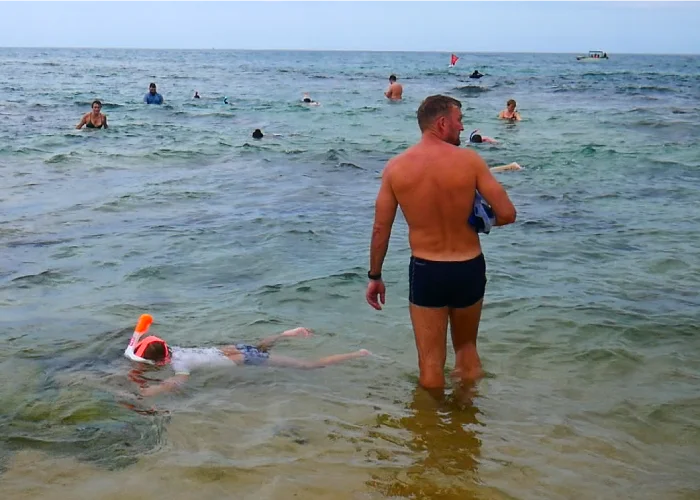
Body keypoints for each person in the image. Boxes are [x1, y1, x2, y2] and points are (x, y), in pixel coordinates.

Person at [365, 95, 516, 389]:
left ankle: (429, 431)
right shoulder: (470, 161)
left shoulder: (396, 168)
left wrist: (375, 276)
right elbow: (507, 214)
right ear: (442, 122)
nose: (462, 127)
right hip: (469, 267)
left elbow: (381, 228)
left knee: (430, 363)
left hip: (427, 269)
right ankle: (467, 424)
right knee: (467, 352)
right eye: (459, 120)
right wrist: (481, 219)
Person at [124, 314, 371, 397]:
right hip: (233, 348)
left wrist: (148, 392)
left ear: (158, 362)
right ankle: (285, 334)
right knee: (258, 346)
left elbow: (177, 382)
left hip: (246, 360)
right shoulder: (175, 350)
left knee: (310, 366)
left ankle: (358, 354)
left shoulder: (180, 362)